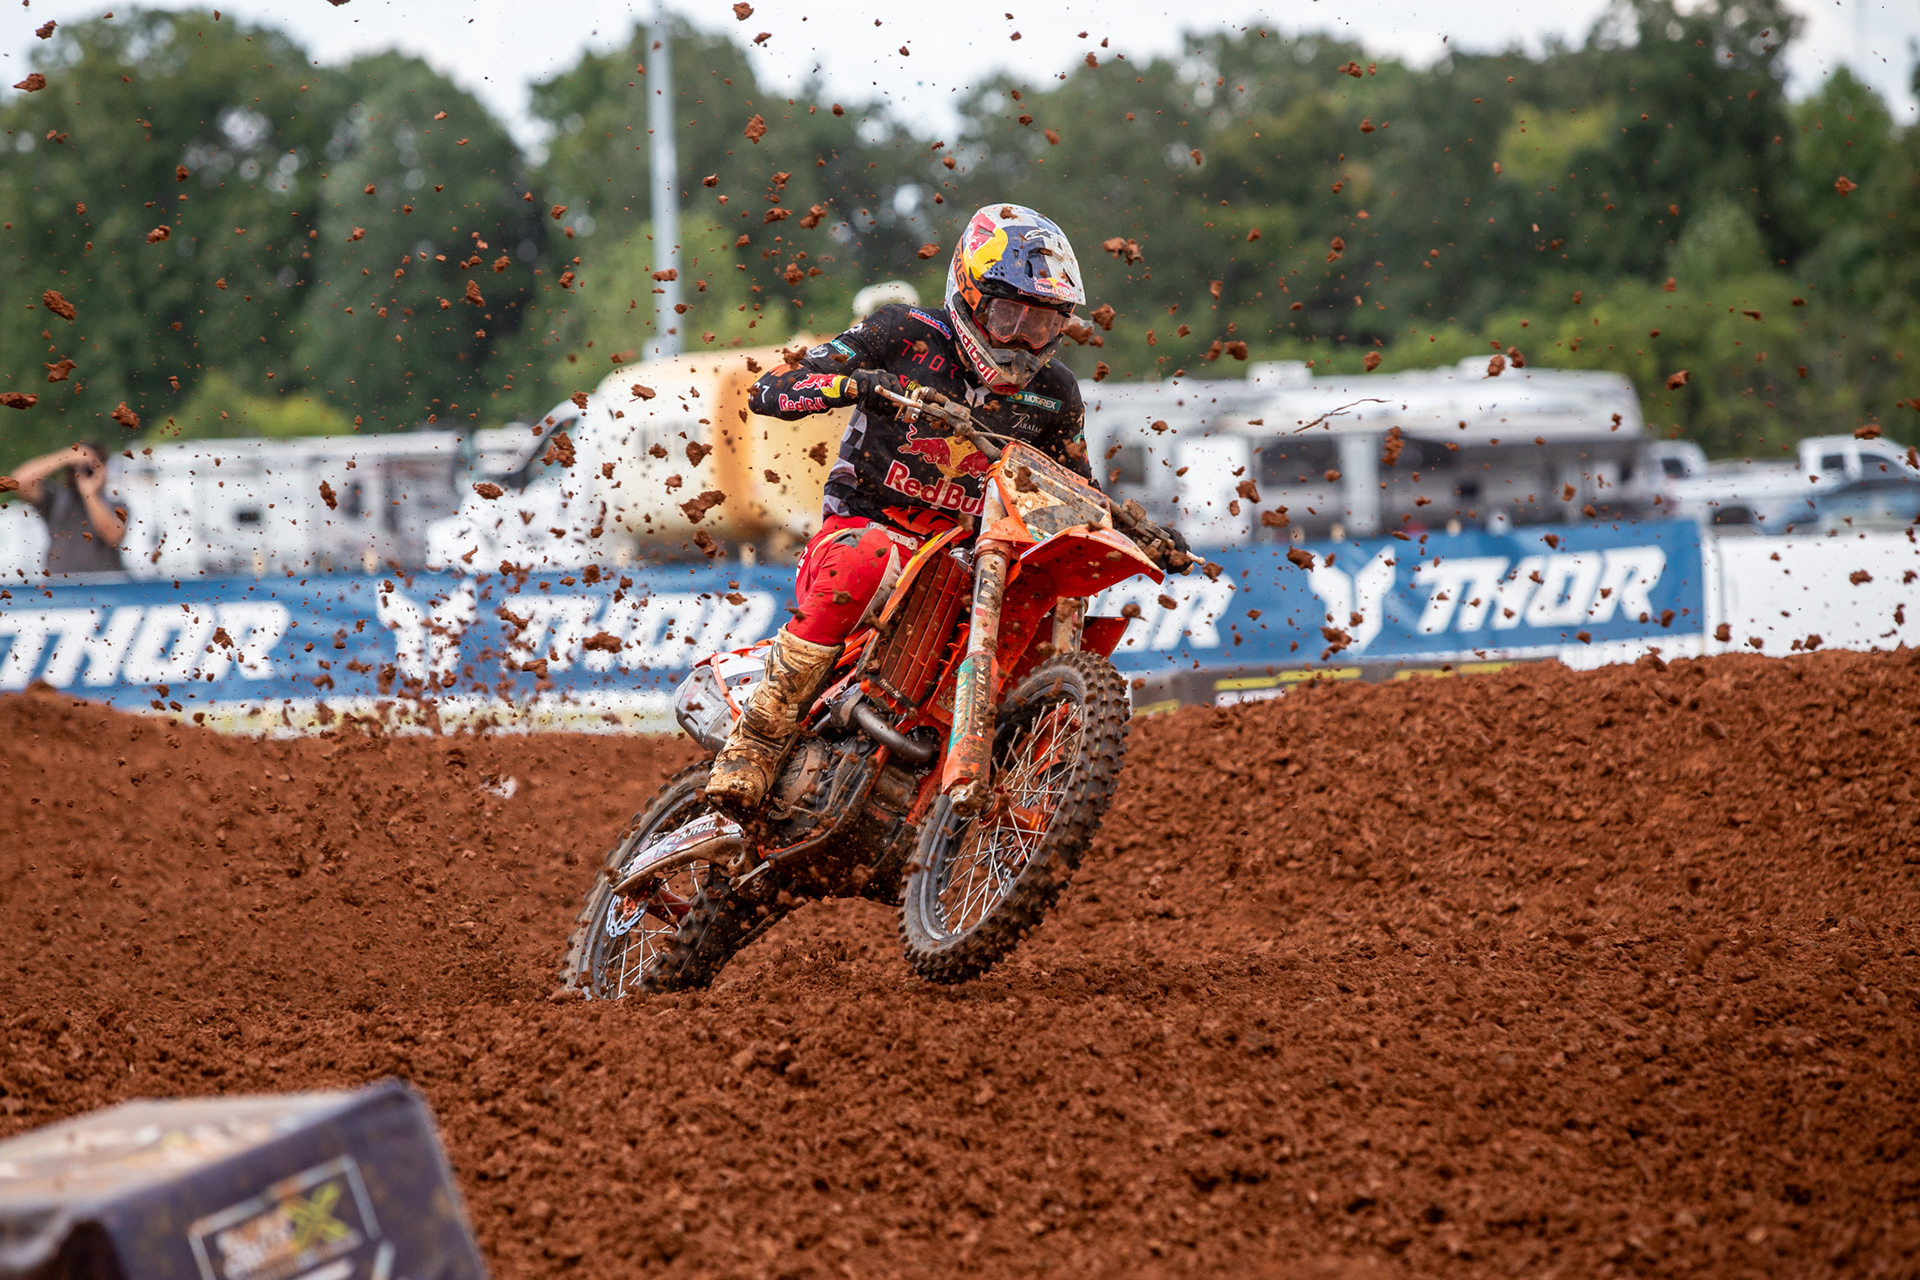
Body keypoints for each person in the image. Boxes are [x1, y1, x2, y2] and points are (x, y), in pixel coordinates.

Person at [706, 204, 1096, 810]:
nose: (1023, 341)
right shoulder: (903, 332)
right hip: (866, 532)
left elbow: (1078, 488)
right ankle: (755, 741)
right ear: (969, 298)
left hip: (970, 562)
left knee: (1058, 590)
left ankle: (1017, 784)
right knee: (865, 555)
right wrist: (854, 384)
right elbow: (771, 389)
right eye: (1008, 315)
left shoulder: (1056, 393)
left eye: (1042, 323)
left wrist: (1133, 528)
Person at [9, 441, 127, 575]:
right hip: (62, 584)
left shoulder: (115, 503)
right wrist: (65, 457)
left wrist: (90, 494)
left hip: (105, 584)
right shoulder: (56, 499)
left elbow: (112, 536)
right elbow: (18, 481)